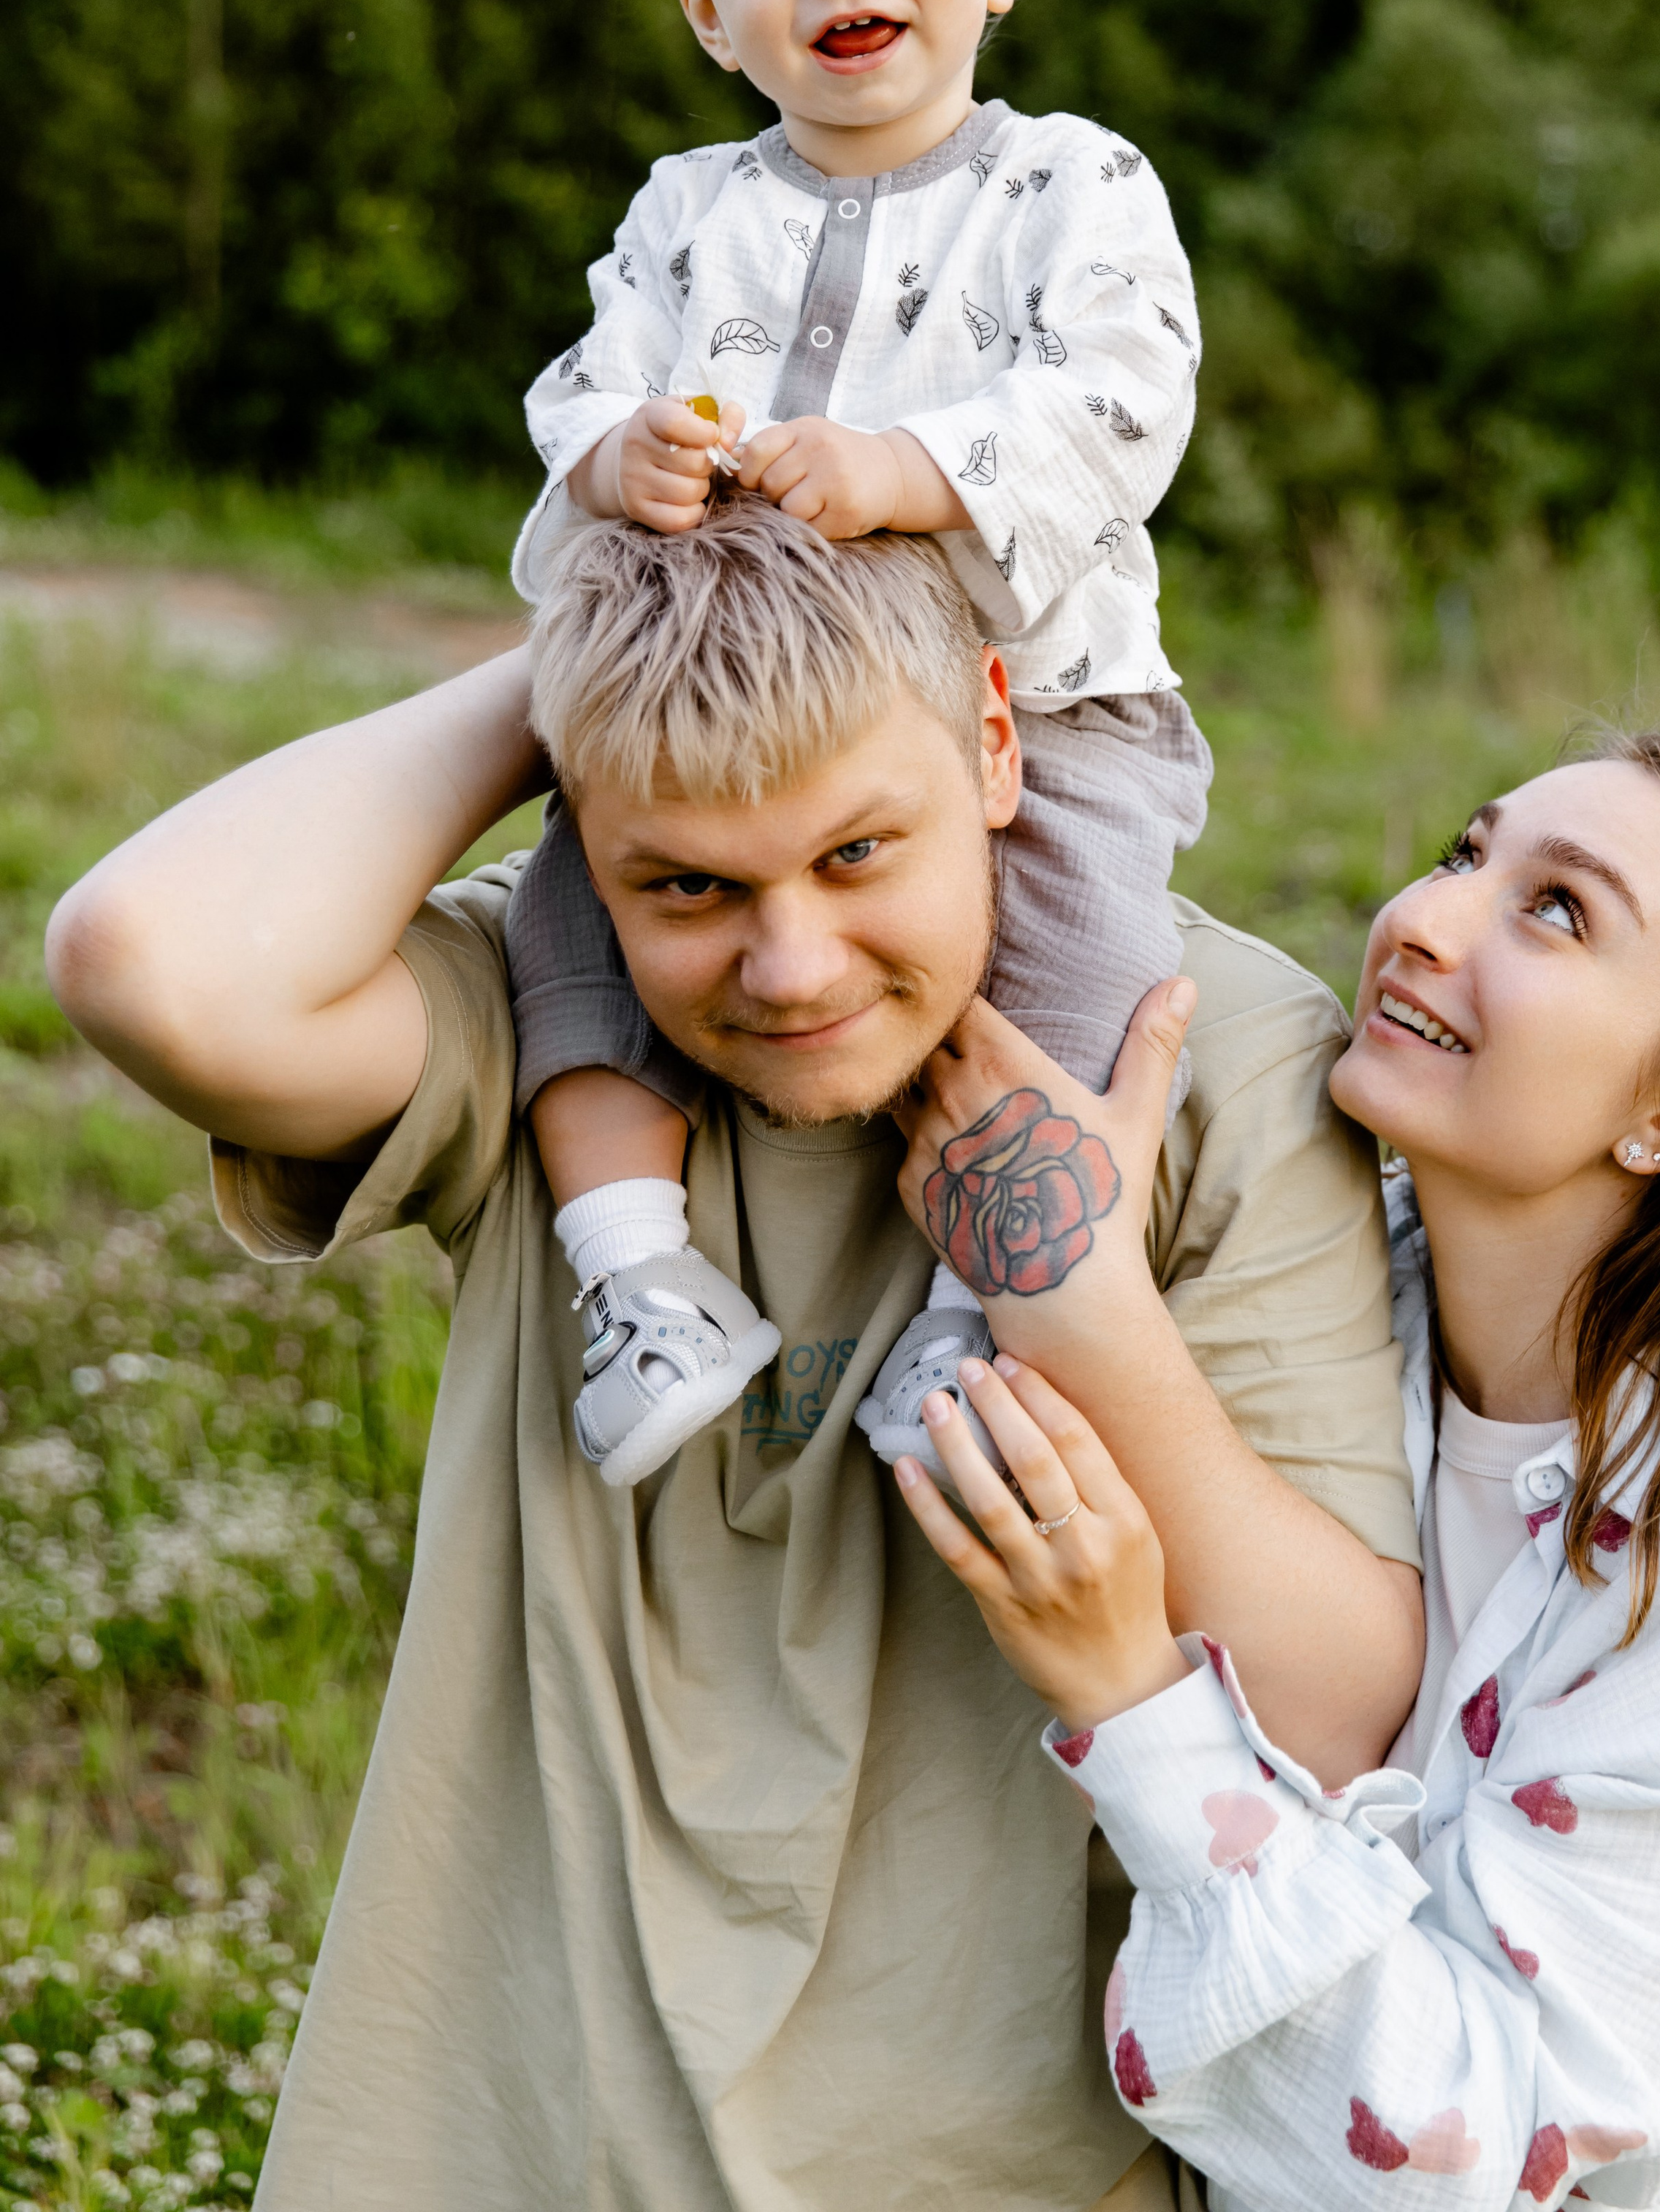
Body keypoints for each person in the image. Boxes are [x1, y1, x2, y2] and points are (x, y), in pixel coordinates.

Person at [46, 502, 1421, 2212]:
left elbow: (1345, 1710)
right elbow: (144, 964)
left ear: (998, 735)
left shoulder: (1212, 1056)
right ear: (583, 842)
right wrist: (583, 669)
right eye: (688, 881)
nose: (788, 969)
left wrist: (1070, 1292)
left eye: (856, 855)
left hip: (991, 2172)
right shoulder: (559, 1034)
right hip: (489, 2147)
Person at [896, 734, 1660, 2207]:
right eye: (1465, 856)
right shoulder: (1329, 1299)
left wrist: (1132, 1702)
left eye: (1556, 911)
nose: (1420, 918)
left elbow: (1470, 2157)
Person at [503, 0, 1212, 1491]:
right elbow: (582, 385)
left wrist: (911, 473)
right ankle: (637, 1275)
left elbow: (1124, 397)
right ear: (706, 10)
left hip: (1039, 700)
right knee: (570, 932)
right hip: (714, 724)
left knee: (1083, 961)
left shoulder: (1068, 186)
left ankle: (988, 1313)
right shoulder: (684, 215)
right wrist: (616, 456)